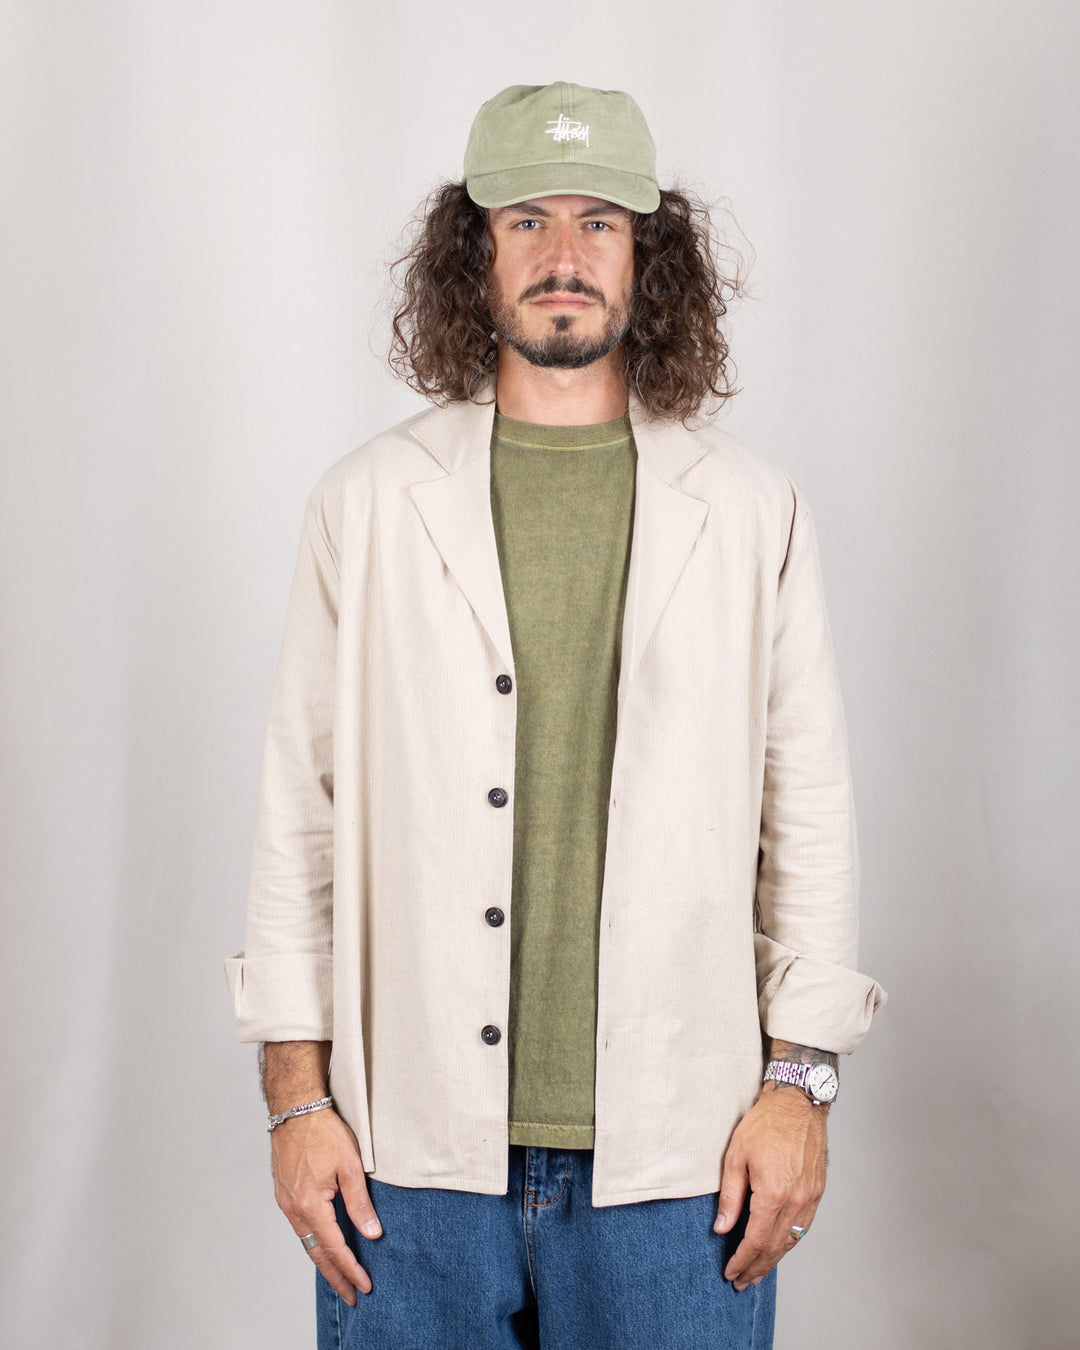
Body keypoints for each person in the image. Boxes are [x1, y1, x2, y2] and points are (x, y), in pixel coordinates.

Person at [225, 81, 886, 1350]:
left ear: (651, 254)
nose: (563, 255)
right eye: (526, 220)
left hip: (684, 1160)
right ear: (473, 251)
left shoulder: (755, 509)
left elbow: (807, 815)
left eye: (600, 222)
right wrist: (295, 1103)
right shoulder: (365, 505)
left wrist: (800, 1088)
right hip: (404, 1156)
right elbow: (297, 821)